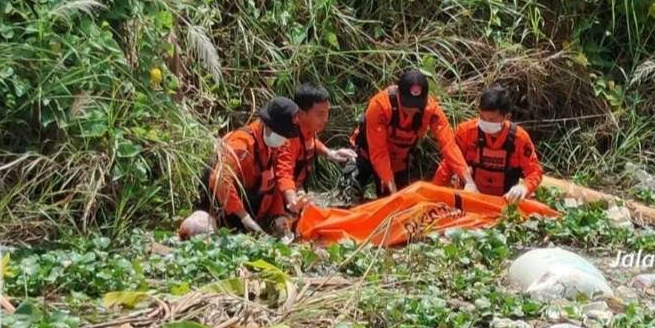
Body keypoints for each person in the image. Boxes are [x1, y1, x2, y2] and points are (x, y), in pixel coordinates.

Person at [341, 69, 475, 201]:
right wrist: (389, 183)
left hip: (397, 161)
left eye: (417, 106)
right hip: (367, 154)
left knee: (400, 204)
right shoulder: (379, 106)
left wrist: (468, 180)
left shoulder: (431, 110)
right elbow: (378, 152)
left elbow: (449, 145)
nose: (412, 111)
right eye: (408, 105)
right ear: (399, 95)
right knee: (350, 190)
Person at [181, 97, 300, 237]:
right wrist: (244, 217)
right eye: (282, 135)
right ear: (267, 126)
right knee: (195, 229)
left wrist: (278, 215)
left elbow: (275, 182)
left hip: (254, 215)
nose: (284, 140)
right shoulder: (241, 144)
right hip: (221, 212)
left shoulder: (275, 145)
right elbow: (220, 180)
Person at [433, 86, 543, 202]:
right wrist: (434, 193)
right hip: (470, 198)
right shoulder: (466, 132)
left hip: (505, 203)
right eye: (482, 117)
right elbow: (449, 163)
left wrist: (524, 188)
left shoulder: (520, 139)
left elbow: (535, 171)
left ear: (506, 117)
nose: (485, 123)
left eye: (491, 119)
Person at [276, 84, 356, 216]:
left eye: (327, 113)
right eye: (320, 114)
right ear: (301, 114)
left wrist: (331, 153)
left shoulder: (308, 129)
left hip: (296, 189)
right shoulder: (288, 138)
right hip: (279, 197)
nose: (325, 119)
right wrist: (293, 202)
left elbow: (311, 143)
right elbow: (283, 174)